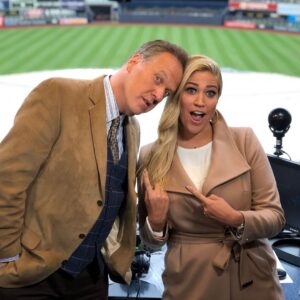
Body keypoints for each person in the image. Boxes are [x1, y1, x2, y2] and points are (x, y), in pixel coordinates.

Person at [0, 39, 188, 299]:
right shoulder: (58, 94)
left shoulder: (132, 129)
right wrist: (7, 257)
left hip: (90, 279)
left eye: (166, 92)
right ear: (134, 62)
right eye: (158, 79)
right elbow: (7, 179)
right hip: (33, 276)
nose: (158, 95)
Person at [137, 55, 285, 300]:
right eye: (191, 90)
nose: (200, 101)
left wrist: (236, 218)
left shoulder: (245, 141)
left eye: (210, 93)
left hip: (254, 281)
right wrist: (156, 222)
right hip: (190, 283)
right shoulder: (150, 156)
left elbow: (276, 217)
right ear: (176, 96)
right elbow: (151, 245)